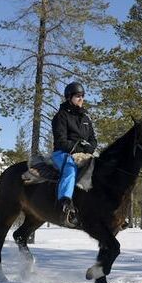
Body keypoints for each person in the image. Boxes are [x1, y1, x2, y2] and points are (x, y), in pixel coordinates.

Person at [51, 82, 97, 228]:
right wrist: (78, 147)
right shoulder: (61, 116)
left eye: (82, 96)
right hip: (63, 153)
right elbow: (61, 141)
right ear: (69, 97)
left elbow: (93, 139)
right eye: (78, 96)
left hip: (83, 153)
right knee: (70, 169)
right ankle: (64, 205)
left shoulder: (86, 118)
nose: (81, 98)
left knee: (102, 169)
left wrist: (89, 148)